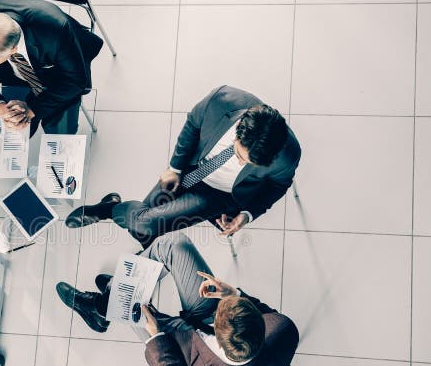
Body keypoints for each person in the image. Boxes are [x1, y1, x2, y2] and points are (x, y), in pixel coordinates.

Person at [55, 233, 298, 366]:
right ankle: (114, 291)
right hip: (208, 322)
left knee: (130, 309)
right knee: (175, 245)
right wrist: (230, 293)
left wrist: (155, 338)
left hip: (183, 349)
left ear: (219, 338)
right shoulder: (284, 328)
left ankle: (103, 307)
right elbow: (262, 310)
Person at [65, 86, 301, 248]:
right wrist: (175, 168)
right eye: (239, 154)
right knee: (144, 227)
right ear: (239, 130)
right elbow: (192, 125)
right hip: (190, 169)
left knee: (144, 224)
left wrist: (247, 215)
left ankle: (109, 209)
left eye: (248, 163)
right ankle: (118, 216)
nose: (240, 163)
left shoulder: (287, 154)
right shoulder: (222, 101)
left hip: (220, 195)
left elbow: (277, 186)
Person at [0, 0, 104, 136]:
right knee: (12, 135)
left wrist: (31, 110)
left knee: (59, 133)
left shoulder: (57, 31)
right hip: (16, 73)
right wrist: (1, 107)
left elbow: (75, 81)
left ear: (13, 51)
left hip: (60, 75)